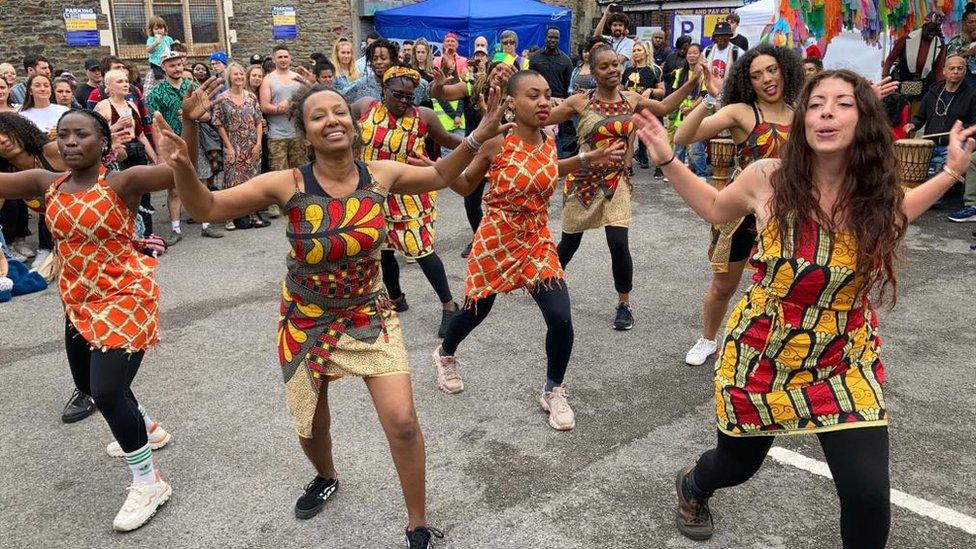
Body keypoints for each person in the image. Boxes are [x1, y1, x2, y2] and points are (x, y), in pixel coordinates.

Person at [157, 76, 513, 548]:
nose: (331, 121)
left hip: (368, 314)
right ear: (305, 133)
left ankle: (417, 524)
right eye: (318, 116)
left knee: (403, 423)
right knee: (312, 421)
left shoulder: (381, 174)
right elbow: (208, 204)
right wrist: (183, 162)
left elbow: (442, 177)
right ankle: (325, 474)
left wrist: (480, 132)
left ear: (354, 121)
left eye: (338, 112)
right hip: (306, 318)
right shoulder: (287, 183)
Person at [634, 67, 976, 549]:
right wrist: (668, 158)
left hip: (843, 358)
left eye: (841, 103)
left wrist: (951, 171)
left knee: (868, 495)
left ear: (865, 119)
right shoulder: (767, 177)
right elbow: (715, 208)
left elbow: (905, 207)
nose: (826, 113)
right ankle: (694, 485)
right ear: (803, 119)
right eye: (816, 104)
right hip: (762, 356)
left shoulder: (876, 191)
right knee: (735, 466)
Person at [0, 90, 223, 529]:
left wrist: (190, 125)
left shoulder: (122, 182)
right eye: (62, 135)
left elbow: (178, 172)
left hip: (126, 296)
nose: (69, 143)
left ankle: (148, 483)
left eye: (80, 134)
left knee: (105, 392)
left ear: (102, 142)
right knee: (89, 384)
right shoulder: (46, 184)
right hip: (78, 299)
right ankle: (149, 429)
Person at [431, 69, 624, 430]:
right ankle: (445, 355)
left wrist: (587, 158)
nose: (543, 102)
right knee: (476, 310)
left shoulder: (548, 140)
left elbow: (548, 169)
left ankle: (553, 390)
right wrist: (438, 168)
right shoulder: (496, 143)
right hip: (496, 238)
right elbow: (464, 184)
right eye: (532, 95)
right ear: (512, 102)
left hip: (535, 239)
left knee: (561, 317)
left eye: (547, 94)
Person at [544, 45, 703, 330]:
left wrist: (693, 80)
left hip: (616, 182)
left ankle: (624, 304)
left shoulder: (631, 99)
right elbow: (540, 119)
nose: (613, 70)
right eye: (604, 66)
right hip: (582, 183)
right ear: (593, 72)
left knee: (618, 244)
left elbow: (666, 107)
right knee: (569, 244)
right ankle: (546, 282)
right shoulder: (579, 103)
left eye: (615, 64)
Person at [674, 44, 804, 366]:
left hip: (789, 215)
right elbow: (682, 138)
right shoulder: (741, 112)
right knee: (723, 285)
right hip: (741, 214)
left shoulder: (800, 114)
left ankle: (781, 342)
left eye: (772, 70)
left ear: (785, 71)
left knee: (790, 284)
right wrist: (708, 100)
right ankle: (707, 339)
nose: (767, 79)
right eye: (756, 75)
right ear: (749, 82)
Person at [349, 66, 466, 337]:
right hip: (375, 193)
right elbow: (345, 125)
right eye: (398, 95)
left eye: (409, 97)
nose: (403, 101)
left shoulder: (422, 116)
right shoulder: (365, 108)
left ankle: (449, 306)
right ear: (383, 91)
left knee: (421, 250)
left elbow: (450, 141)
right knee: (384, 250)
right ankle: (396, 298)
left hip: (410, 194)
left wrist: (480, 141)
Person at [147, 50, 220, 243]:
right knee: (174, 188)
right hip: (172, 146)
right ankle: (176, 230)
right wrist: (159, 153)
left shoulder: (193, 87)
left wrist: (192, 116)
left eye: (179, 64)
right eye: (172, 65)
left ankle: (206, 224)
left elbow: (206, 116)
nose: (177, 68)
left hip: (196, 143)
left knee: (202, 182)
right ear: (163, 68)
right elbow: (154, 124)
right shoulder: (156, 93)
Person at [903, 55, 976, 222]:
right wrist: (912, 125)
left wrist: (960, 131)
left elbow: (974, 123)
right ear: (944, 71)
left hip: (953, 146)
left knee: (940, 173)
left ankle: (935, 195)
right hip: (931, 145)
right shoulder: (933, 92)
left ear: (965, 71)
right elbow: (920, 117)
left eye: (960, 68)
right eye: (952, 68)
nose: (956, 72)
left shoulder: (972, 94)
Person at [260, 44, 312, 220]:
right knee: (278, 170)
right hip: (277, 134)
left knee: (299, 169)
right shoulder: (268, 79)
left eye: (285, 57)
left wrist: (293, 105)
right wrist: (279, 109)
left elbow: (310, 97)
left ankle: (301, 200)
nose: (283, 60)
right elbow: (264, 106)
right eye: (279, 57)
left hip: (297, 132)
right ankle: (276, 204)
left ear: (290, 58)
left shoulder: (298, 78)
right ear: (274, 59)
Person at [213, 62, 268, 230]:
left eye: (241, 74)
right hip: (233, 145)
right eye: (235, 74)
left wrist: (258, 143)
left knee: (252, 182)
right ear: (229, 76)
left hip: (252, 145)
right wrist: (228, 146)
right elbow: (219, 123)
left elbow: (259, 121)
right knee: (232, 182)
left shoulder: (251, 97)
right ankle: (229, 216)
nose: (239, 77)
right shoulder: (222, 98)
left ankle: (251, 213)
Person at [529, 27, 575, 158]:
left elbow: (568, 85)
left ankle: (557, 163)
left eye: (555, 37)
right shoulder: (534, 58)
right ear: (545, 38)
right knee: (537, 130)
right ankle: (538, 159)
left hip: (558, 103)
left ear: (559, 40)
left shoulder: (566, 61)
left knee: (557, 135)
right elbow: (530, 80)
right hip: (538, 100)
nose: (552, 40)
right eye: (550, 37)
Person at [883, 11, 947, 99]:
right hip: (901, 82)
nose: (932, 34)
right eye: (930, 30)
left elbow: (938, 70)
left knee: (917, 110)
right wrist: (885, 78)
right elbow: (890, 59)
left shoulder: (940, 44)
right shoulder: (906, 38)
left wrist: (941, 89)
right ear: (924, 26)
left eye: (936, 31)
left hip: (924, 86)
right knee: (901, 109)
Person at [622, 41, 665, 171]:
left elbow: (662, 91)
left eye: (639, 50)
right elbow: (620, 89)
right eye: (634, 50)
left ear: (646, 52)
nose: (636, 53)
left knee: (654, 138)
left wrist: (651, 90)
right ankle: (628, 167)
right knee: (629, 138)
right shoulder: (628, 70)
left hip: (649, 109)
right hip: (631, 109)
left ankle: (659, 167)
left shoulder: (655, 70)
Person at [668, 43, 708, 178]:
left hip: (696, 112)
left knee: (697, 146)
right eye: (689, 53)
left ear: (700, 55)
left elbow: (705, 95)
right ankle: (677, 174)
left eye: (695, 53)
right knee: (679, 146)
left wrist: (691, 108)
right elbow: (676, 92)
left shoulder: (703, 73)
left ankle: (701, 173)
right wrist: (681, 107)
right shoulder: (680, 72)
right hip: (681, 111)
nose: (692, 56)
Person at [18, 74, 69, 139]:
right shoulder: (22, 116)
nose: (42, 89)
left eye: (46, 86)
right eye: (37, 86)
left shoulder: (64, 111)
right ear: (30, 91)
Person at [946, 3, 976, 88]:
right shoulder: (957, 41)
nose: (974, 24)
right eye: (971, 22)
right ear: (964, 23)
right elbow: (950, 63)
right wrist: (968, 53)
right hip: (964, 84)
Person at [143, 15, 173, 95]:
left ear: (165, 29)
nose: (159, 31)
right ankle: (160, 92)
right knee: (159, 79)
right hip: (156, 63)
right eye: (156, 29)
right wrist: (156, 43)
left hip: (167, 63)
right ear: (152, 30)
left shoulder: (168, 38)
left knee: (168, 78)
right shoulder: (151, 39)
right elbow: (149, 50)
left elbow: (172, 48)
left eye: (161, 28)